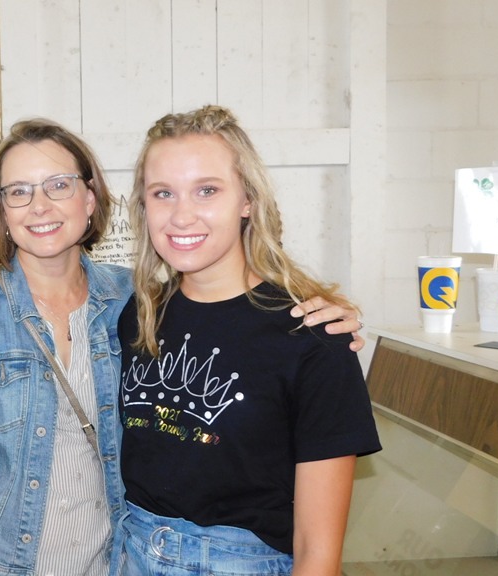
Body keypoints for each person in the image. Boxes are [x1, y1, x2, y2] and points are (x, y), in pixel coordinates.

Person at [0, 118, 364, 576]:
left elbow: (318, 547)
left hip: (121, 558)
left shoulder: (127, 302)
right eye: (18, 191)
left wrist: (325, 322)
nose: (39, 206)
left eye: (58, 185)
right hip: (24, 558)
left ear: (90, 198)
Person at [116, 105, 382, 576]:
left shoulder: (313, 335)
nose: (181, 215)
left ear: (248, 201)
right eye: (163, 193)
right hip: (131, 552)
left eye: (207, 190)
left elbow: (317, 551)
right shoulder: (139, 316)